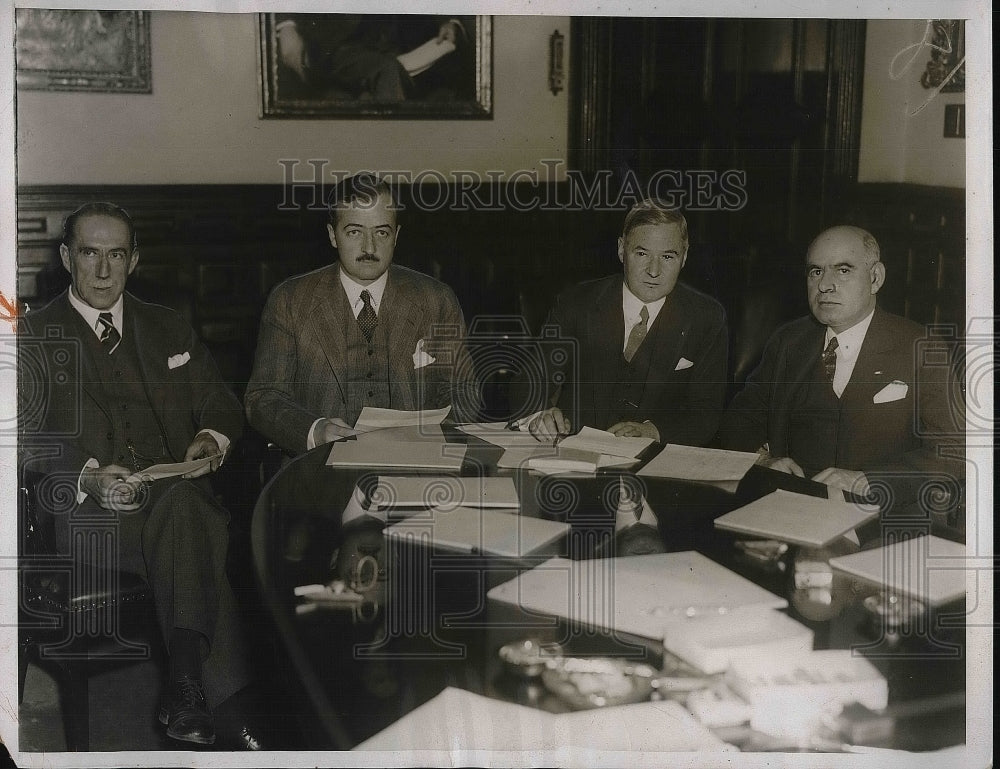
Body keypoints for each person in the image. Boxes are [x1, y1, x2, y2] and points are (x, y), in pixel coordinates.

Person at [18, 203, 255, 746]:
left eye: (116, 255)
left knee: (181, 506)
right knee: (192, 523)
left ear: (134, 260)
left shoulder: (166, 324)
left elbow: (221, 404)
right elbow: (23, 440)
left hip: (174, 500)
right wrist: (89, 477)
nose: (103, 271)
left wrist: (209, 440)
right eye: (90, 254)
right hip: (91, 520)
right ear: (65, 258)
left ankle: (188, 689)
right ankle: (218, 702)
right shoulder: (32, 336)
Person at [720, 225, 965, 513]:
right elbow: (739, 421)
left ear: (875, 278)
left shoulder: (921, 347)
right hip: (790, 506)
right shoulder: (788, 342)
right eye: (816, 272)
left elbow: (954, 449)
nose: (825, 285)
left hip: (881, 514)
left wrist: (869, 480)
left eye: (843, 270)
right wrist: (764, 460)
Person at [245, 173, 480, 455]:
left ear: (397, 236)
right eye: (355, 232)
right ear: (333, 235)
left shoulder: (436, 299)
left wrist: (431, 441)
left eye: (382, 232)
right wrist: (315, 430)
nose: (369, 248)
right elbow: (263, 398)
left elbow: (464, 392)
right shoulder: (290, 300)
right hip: (319, 467)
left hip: (416, 464)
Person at [518, 200, 728, 446]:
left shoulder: (706, 318)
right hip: (574, 456)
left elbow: (706, 413)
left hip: (655, 463)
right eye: (642, 253)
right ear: (621, 250)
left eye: (668, 257)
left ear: (684, 257)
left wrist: (654, 432)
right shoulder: (577, 304)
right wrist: (539, 415)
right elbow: (530, 380)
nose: (653, 270)